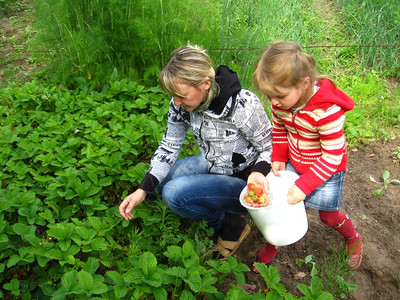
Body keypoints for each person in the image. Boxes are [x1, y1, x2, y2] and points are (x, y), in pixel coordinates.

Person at [119, 45, 273, 259]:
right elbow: (169, 146)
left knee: (173, 194)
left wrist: (257, 174)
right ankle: (202, 197)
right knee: (159, 183)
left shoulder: (242, 104)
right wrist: (142, 190)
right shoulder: (181, 104)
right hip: (214, 163)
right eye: (173, 95)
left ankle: (231, 224)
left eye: (181, 95)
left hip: (244, 178)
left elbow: (270, 147)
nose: (176, 102)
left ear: (205, 84)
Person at [251, 40, 363, 272]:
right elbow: (280, 129)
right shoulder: (281, 102)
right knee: (280, 203)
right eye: (269, 95)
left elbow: (332, 156)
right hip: (295, 160)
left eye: (279, 95)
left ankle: (353, 238)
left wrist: (304, 186)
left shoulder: (326, 112)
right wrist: (279, 156)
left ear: (304, 84)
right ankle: (275, 242)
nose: (273, 101)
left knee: (328, 217)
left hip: (326, 169)